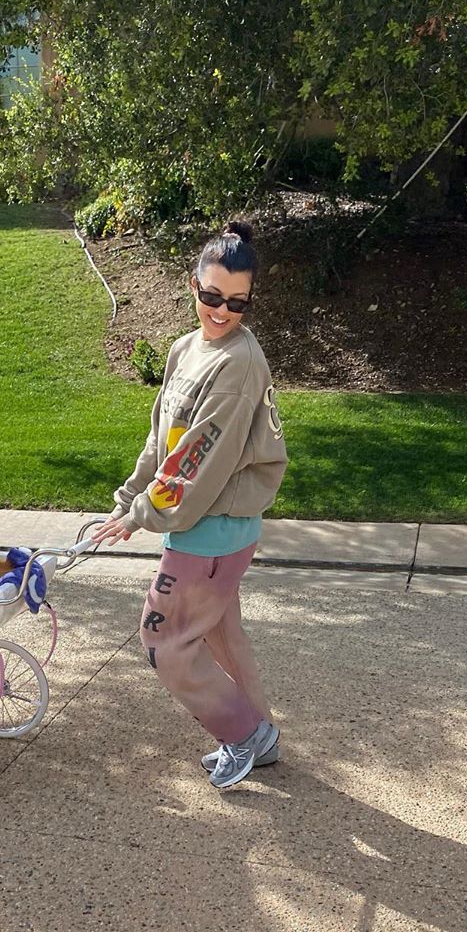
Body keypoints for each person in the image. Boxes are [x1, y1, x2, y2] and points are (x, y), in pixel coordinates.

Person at [93, 220, 288, 789]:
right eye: (210, 297)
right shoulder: (186, 349)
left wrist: (142, 516)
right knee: (223, 637)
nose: (221, 312)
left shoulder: (239, 364)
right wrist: (128, 498)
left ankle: (245, 736)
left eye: (237, 303)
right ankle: (262, 738)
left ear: (249, 301)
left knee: (163, 643)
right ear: (193, 285)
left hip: (214, 529)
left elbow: (200, 462)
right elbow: (164, 440)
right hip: (206, 524)